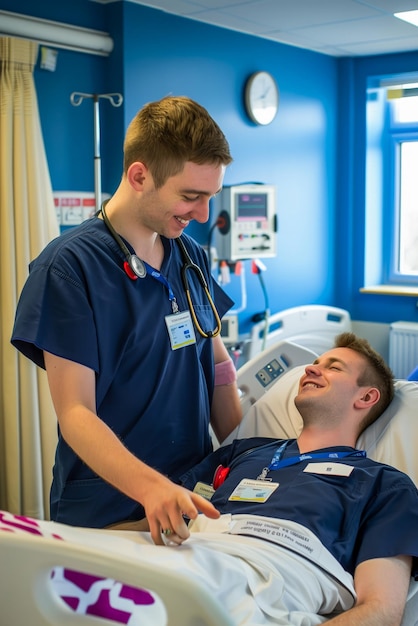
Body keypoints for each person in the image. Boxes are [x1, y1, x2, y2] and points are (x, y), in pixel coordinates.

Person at [11, 95, 242, 543]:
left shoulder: (189, 256)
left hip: (191, 497)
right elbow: (75, 412)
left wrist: (247, 453)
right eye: (190, 196)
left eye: (210, 197)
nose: (202, 215)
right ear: (140, 175)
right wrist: (152, 487)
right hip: (110, 511)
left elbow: (216, 366)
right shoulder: (69, 268)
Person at [178, 333, 418, 625]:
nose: (310, 369)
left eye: (334, 367)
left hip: (265, 583)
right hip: (187, 558)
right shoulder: (245, 450)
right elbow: (167, 513)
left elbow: (381, 610)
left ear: (366, 397)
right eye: (316, 363)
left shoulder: (385, 486)